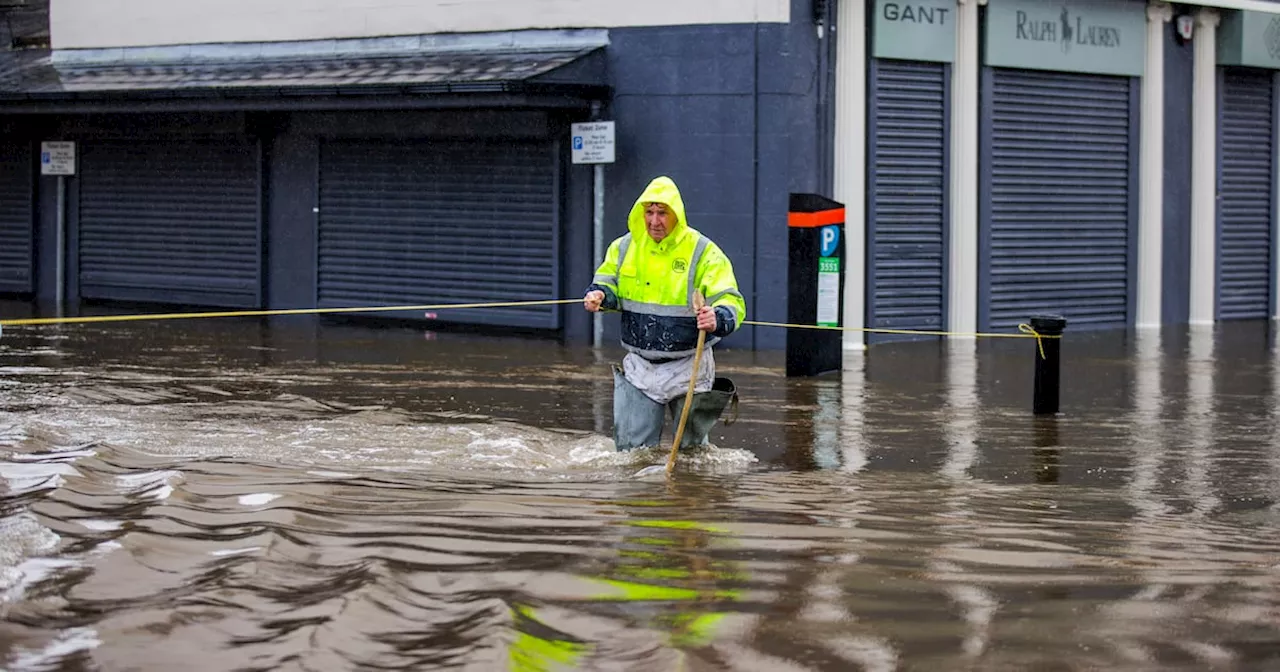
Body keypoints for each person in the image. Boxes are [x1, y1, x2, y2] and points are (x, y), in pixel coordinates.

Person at [583, 175, 745, 452]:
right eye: (649, 212)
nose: (654, 221)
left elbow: (731, 299)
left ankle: (685, 492)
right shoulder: (623, 247)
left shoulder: (703, 251)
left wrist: (718, 318)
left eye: (662, 213)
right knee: (632, 454)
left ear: (677, 215)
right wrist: (599, 296)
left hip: (688, 363)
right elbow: (608, 284)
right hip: (640, 365)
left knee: (692, 453)